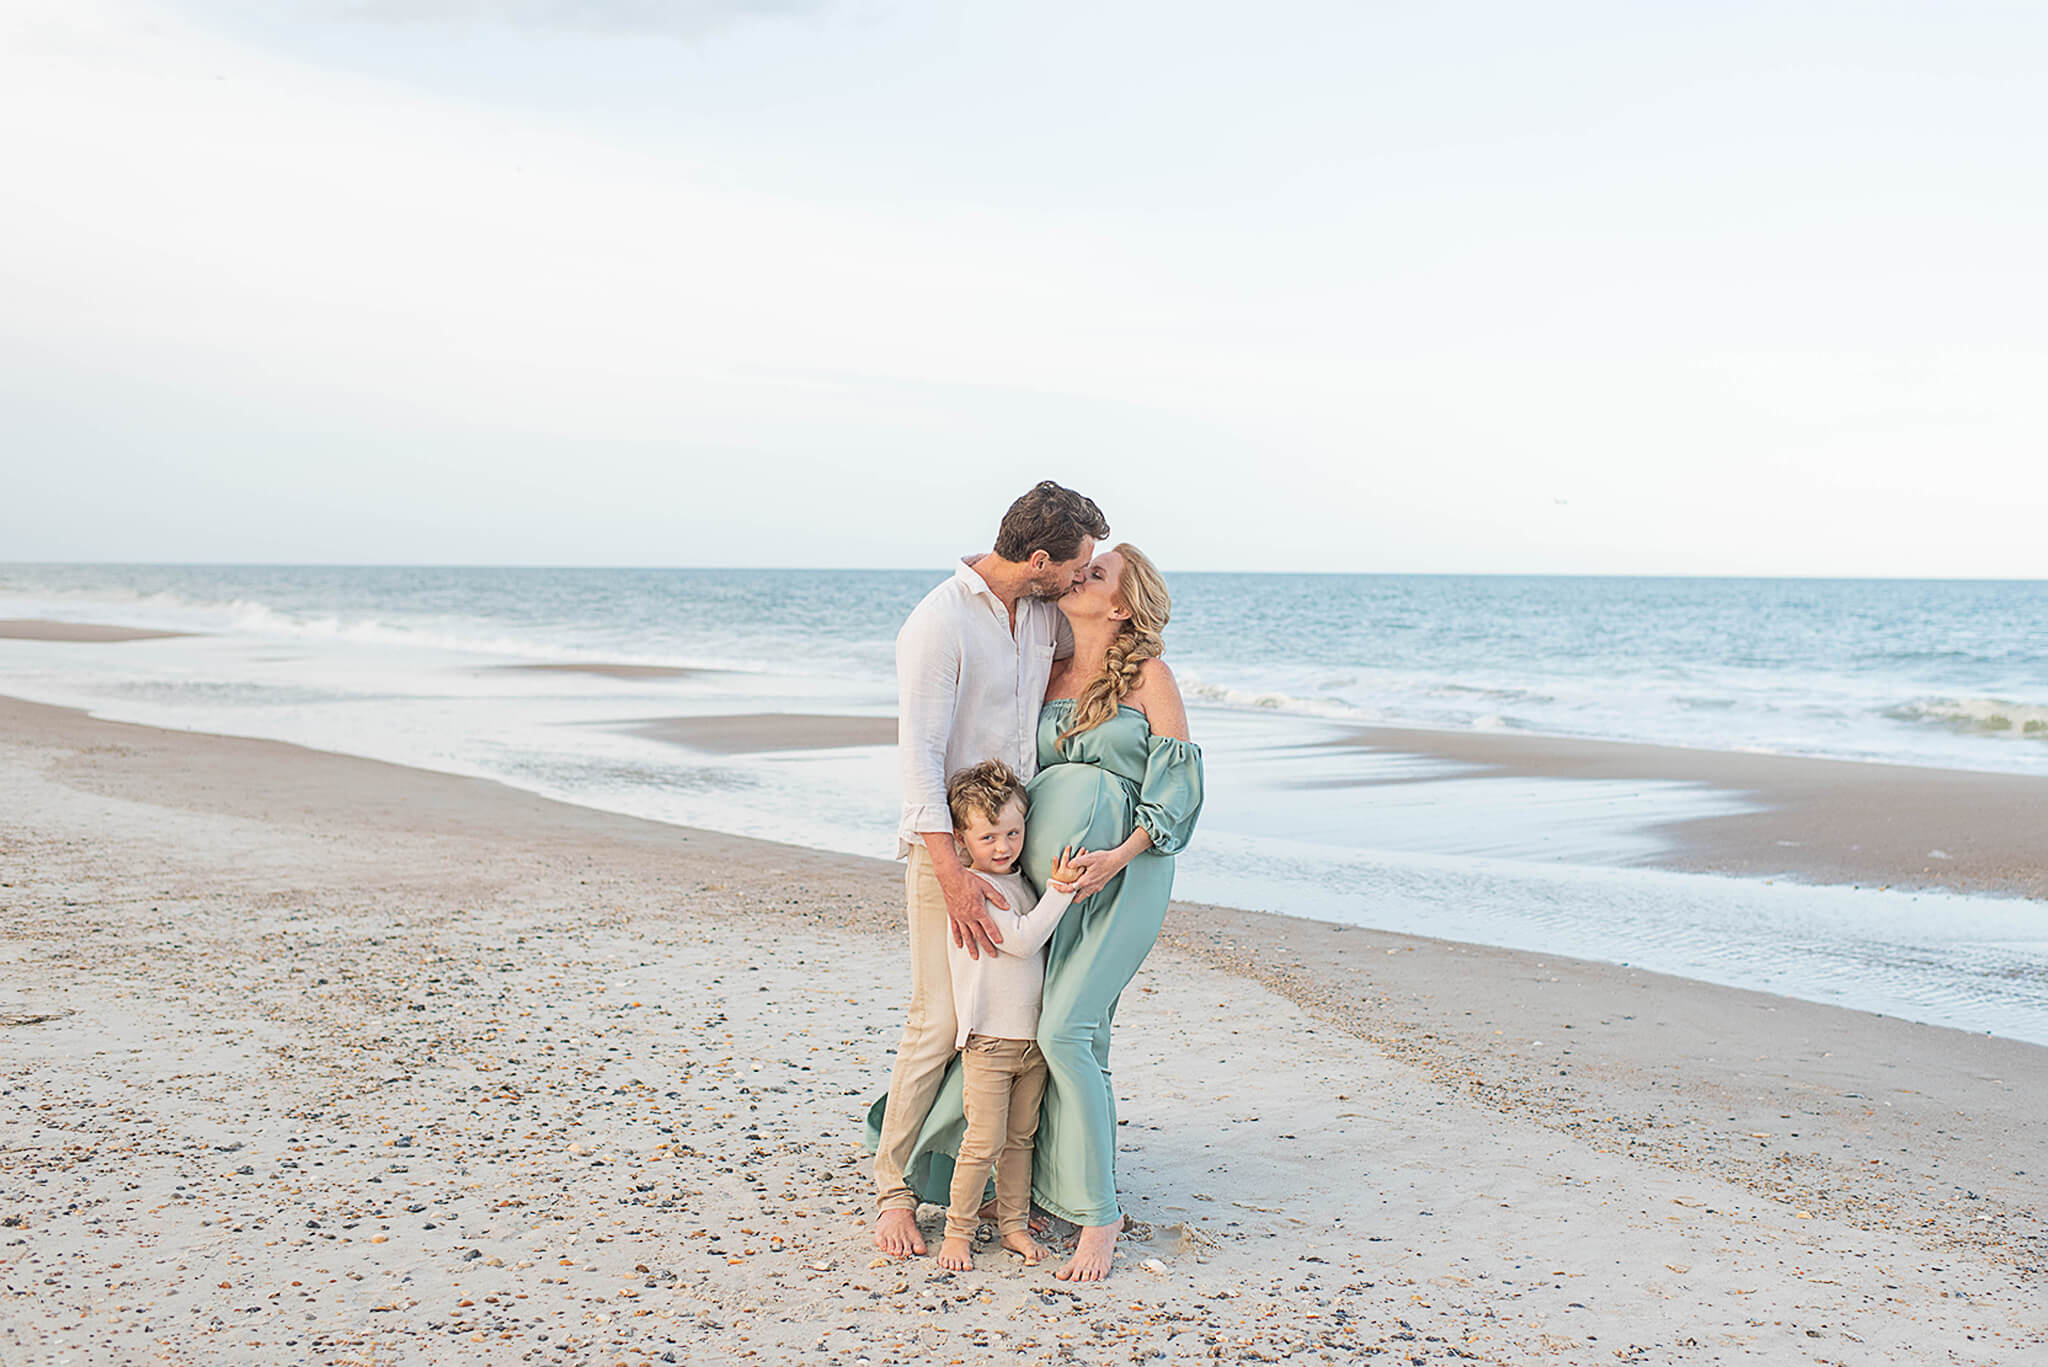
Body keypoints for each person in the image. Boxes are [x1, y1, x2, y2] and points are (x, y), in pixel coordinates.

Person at [868, 543, 1204, 1283]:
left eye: (1098, 572)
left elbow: (1179, 790)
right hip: (1045, 886)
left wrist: (1119, 854)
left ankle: (1099, 1212)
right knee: (1025, 1029)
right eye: (1080, 565)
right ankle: (1023, 1183)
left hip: (1125, 877)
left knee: (1066, 1028)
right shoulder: (1047, 670)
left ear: (1121, 604)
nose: (1081, 576)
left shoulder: (1151, 676)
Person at [872, 481, 1110, 1258]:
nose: (1081, 579)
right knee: (938, 1022)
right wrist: (951, 874)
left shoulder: (1042, 612)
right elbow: (918, 763)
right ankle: (893, 1190)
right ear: (1038, 559)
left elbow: (1099, 649)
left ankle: (1017, 1190)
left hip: (1020, 846)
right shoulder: (937, 623)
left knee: (1021, 1018)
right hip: (948, 852)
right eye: (1076, 567)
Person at [931, 760, 1086, 1272]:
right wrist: (1062, 891)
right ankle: (959, 1231)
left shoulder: (1022, 883)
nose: (1003, 847)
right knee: (984, 1142)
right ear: (962, 840)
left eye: (1013, 832)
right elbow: (1020, 940)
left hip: (1032, 1041)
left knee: (1021, 1140)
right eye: (988, 837)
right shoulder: (978, 889)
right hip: (990, 1043)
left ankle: (1013, 1225)